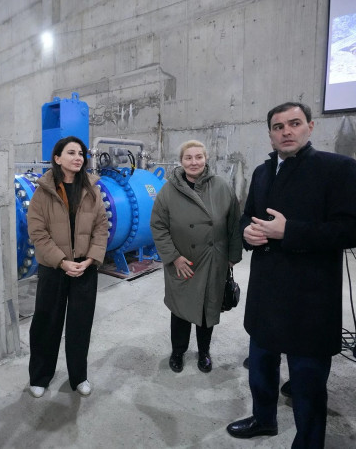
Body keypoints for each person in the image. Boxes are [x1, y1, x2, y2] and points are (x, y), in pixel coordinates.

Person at [226, 102, 356, 448]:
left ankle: (309, 442)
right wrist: (246, 233)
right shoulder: (262, 173)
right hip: (266, 292)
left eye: (294, 123)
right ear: (270, 134)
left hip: (310, 297)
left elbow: (350, 229)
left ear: (310, 127)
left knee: (307, 382)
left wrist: (290, 231)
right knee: (261, 367)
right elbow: (247, 216)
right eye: (278, 126)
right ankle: (263, 419)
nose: (286, 131)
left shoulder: (338, 169)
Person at [26, 136, 109, 398]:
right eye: (71, 152)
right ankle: (40, 376)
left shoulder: (92, 189)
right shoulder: (43, 192)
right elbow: (37, 232)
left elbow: (102, 227)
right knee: (46, 323)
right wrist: (62, 262)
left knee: (80, 325)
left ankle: (79, 376)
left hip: (85, 268)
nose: (78, 157)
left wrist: (91, 259)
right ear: (57, 158)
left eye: (81, 153)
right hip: (54, 268)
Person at [150, 140, 243, 373]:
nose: (194, 162)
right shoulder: (168, 191)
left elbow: (234, 224)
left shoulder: (222, 187)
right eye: (188, 157)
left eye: (198, 157)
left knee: (207, 309)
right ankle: (178, 352)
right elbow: (158, 226)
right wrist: (174, 257)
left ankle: (204, 352)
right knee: (180, 311)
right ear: (181, 161)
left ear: (206, 158)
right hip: (183, 262)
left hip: (213, 260)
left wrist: (232, 256)